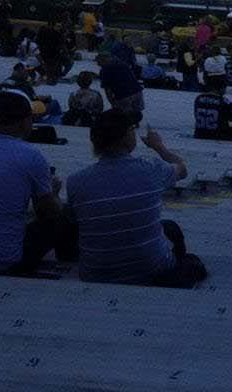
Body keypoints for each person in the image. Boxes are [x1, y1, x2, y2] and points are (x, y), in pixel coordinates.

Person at [66, 111, 206, 287]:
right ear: (126, 136)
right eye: (132, 129)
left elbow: (73, 220)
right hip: (151, 271)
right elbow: (182, 168)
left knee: (167, 227)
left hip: (94, 273)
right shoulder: (151, 170)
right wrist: (159, 146)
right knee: (183, 249)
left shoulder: (75, 181)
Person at [0, 89, 72, 274]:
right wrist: (53, 193)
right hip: (4, 260)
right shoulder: (29, 155)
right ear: (24, 121)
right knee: (61, 218)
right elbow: (47, 212)